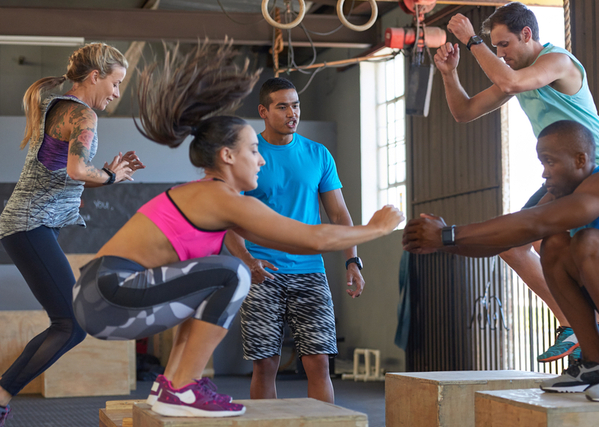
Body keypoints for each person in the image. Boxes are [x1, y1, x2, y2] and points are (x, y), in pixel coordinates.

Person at [70, 42, 403, 418]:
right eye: (251, 151)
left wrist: (351, 260)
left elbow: (294, 238)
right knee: (232, 273)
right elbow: (316, 237)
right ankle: (181, 387)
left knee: (221, 277)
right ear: (227, 156)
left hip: (103, 295)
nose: (260, 158)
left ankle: (174, 384)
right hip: (109, 296)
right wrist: (376, 228)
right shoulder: (222, 198)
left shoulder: (218, 198)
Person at [402, 120, 599, 402]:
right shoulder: (559, 194)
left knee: (587, 242)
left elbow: (534, 221)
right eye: (541, 162)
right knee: (553, 244)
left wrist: (448, 234)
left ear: (581, 160)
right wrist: (441, 244)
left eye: (550, 162)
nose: (544, 172)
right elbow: (501, 242)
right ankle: (595, 364)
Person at [434, 1, 599, 362]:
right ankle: (577, 325)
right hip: (564, 176)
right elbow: (464, 112)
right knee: (516, 247)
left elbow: (508, 80)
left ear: (527, 34)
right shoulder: (517, 77)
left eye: (503, 44)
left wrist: (472, 40)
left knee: (551, 247)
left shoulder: (557, 62)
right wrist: (448, 74)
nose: (500, 54)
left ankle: (597, 325)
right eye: (495, 46)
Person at [0, 42, 144, 426]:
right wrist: (109, 175)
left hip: (30, 226)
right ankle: (0, 395)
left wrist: (108, 175)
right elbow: (80, 171)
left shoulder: (60, 104)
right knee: (72, 324)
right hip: (29, 225)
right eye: (115, 83)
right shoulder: (81, 114)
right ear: (95, 77)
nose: (116, 93)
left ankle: (0, 394)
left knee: (65, 322)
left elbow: (67, 172)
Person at [224, 77, 362, 404]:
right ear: (264, 111)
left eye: (296, 105)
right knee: (265, 365)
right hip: (263, 272)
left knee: (318, 363)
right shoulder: (247, 155)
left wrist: (352, 260)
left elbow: (339, 215)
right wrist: (247, 261)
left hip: (310, 271)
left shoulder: (318, 155)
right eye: (282, 106)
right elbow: (227, 220)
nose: (292, 113)